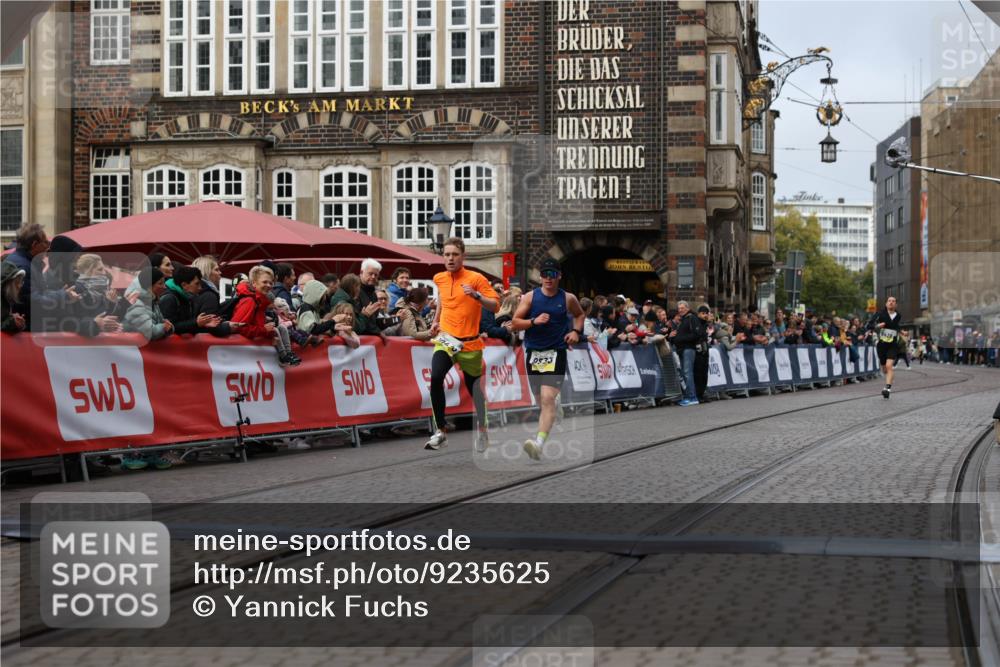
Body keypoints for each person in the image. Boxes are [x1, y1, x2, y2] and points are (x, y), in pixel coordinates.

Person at [424, 238, 499, 452]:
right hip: (447, 341)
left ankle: (483, 430)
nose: (450, 258)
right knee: (436, 376)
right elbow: (442, 301)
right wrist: (437, 320)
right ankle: (440, 431)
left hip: (470, 344)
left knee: (474, 388)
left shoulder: (476, 278)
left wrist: (476, 295)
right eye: (447, 254)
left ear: (463, 256)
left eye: (454, 254)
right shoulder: (439, 278)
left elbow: (495, 306)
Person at [512, 258, 585, 461]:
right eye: (544, 274)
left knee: (546, 399)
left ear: (559, 276)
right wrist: (533, 321)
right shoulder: (530, 297)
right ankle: (555, 405)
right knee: (541, 400)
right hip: (534, 353)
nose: (548, 279)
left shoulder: (568, 298)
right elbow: (515, 322)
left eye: (552, 274)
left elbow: (580, 315)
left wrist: (576, 332)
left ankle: (538, 444)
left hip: (557, 351)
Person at [7, 224, 82, 329]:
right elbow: (33, 301)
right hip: (26, 331)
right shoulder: (23, 266)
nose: (48, 247)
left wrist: (61, 293)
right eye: (46, 242)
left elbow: (38, 293)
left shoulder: (28, 263)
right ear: (34, 244)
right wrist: (63, 296)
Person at [231, 265, 301, 366]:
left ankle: (287, 355)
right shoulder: (249, 301)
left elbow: (258, 325)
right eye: (264, 282)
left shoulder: (260, 301)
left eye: (270, 283)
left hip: (255, 357)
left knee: (280, 327)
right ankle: (284, 356)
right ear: (254, 283)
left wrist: (269, 334)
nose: (268, 285)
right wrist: (264, 331)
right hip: (246, 359)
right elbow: (238, 327)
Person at [158, 265, 227, 336]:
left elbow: (187, 325)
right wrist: (196, 323)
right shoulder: (169, 299)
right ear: (184, 285)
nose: (200, 288)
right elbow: (169, 328)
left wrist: (203, 324)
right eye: (197, 284)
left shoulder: (187, 297)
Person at [123, 268, 174, 342]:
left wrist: (168, 326)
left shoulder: (153, 302)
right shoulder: (137, 305)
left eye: (164, 283)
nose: (164, 287)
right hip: (133, 352)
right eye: (160, 283)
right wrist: (164, 327)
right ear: (149, 286)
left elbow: (161, 324)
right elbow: (150, 332)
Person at [670, 300, 705, 406]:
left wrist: (680, 338)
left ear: (688, 308)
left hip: (688, 349)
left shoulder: (692, 318)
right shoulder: (683, 320)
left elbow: (697, 334)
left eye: (682, 308)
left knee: (687, 373)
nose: (680, 310)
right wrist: (673, 337)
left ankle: (692, 397)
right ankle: (689, 396)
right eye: (679, 308)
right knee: (685, 373)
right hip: (682, 349)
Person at [867, 295, 903, 399]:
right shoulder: (879, 314)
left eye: (893, 301)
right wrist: (877, 326)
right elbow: (869, 325)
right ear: (886, 304)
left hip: (893, 344)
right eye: (889, 301)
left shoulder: (898, 315)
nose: (891, 302)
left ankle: (887, 388)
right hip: (882, 344)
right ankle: (889, 378)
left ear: (896, 305)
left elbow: (895, 327)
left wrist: (901, 332)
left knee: (889, 366)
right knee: (884, 368)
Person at [356, 258, 385, 335]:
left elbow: (373, 321)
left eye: (376, 275)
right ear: (361, 272)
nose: (373, 277)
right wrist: (377, 331)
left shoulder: (373, 293)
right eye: (370, 273)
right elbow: (354, 322)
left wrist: (391, 321)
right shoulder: (354, 290)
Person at [1, 261, 27, 334]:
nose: (20, 286)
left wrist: (13, 320)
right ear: (8, 284)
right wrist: (12, 321)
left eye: (21, 282)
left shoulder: (6, 297)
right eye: (17, 282)